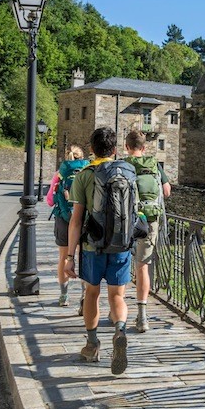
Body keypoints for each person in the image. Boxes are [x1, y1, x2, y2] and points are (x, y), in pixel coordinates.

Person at [63, 127, 133, 374]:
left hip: (92, 246)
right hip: (121, 244)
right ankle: (120, 331)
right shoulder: (127, 173)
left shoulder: (84, 175)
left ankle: (92, 346)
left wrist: (70, 257)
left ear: (91, 149)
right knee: (118, 296)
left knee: (92, 293)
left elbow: (75, 220)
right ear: (114, 150)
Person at [123, 130, 171, 333]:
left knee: (123, 263)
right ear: (144, 148)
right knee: (143, 267)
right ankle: (142, 317)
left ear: (126, 147)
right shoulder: (155, 165)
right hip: (149, 221)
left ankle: (118, 309)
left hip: (125, 222)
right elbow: (167, 191)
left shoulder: (123, 165)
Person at [45, 144, 87, 309]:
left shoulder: (59, 174)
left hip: (63, 219)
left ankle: (64, 295)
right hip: (83, 219)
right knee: (83, 257)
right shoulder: (86, 172)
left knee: (63, 257)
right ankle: (84, 295)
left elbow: (49, 200)